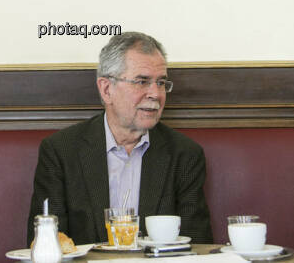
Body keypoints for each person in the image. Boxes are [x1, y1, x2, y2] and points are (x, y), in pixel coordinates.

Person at [27, 32, 213, 246]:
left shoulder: (185, 155)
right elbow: (45, 244)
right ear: (106, 89)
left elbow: (198, 247)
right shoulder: (61, 152)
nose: (156, 94)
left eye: (161, 83)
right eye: (142, 81)